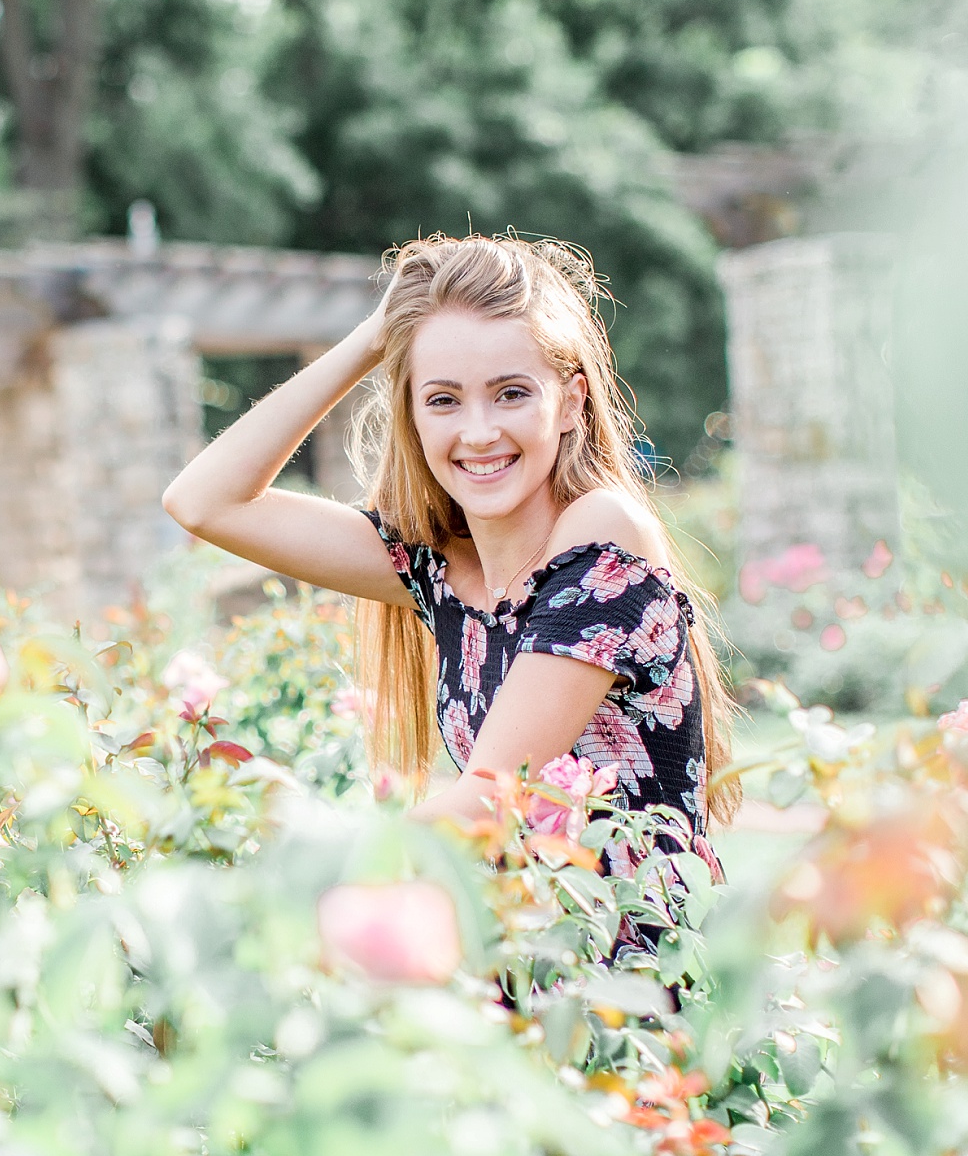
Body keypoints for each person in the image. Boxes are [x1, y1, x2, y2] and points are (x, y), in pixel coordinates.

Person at [162, 232, 734, 933]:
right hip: (516, 973)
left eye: (512, 393)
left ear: (573, 403)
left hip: (633, 999)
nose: (479, 431)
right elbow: (204, 502)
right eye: (443, 400)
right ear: (411, 415)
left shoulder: (604, 536)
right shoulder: (438, 569)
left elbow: (489, 796)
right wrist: (376, 339)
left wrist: (304, 844)